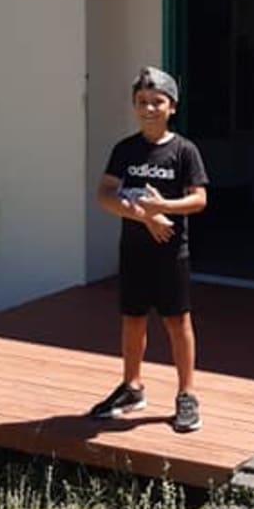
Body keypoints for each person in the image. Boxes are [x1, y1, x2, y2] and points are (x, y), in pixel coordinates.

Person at [91, 66, 209, 433]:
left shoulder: (183, 150)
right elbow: (105, 195)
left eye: (156, 102)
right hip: (135, 250)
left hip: (171, 254)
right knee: (132, 320)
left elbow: (199, 200)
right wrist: (143, 217)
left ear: (171, 106)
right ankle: (132, 387)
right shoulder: (125, 149)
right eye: (141, 102)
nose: (148, 109)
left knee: (177, 322)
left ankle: (187, 394)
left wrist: (164, 209)